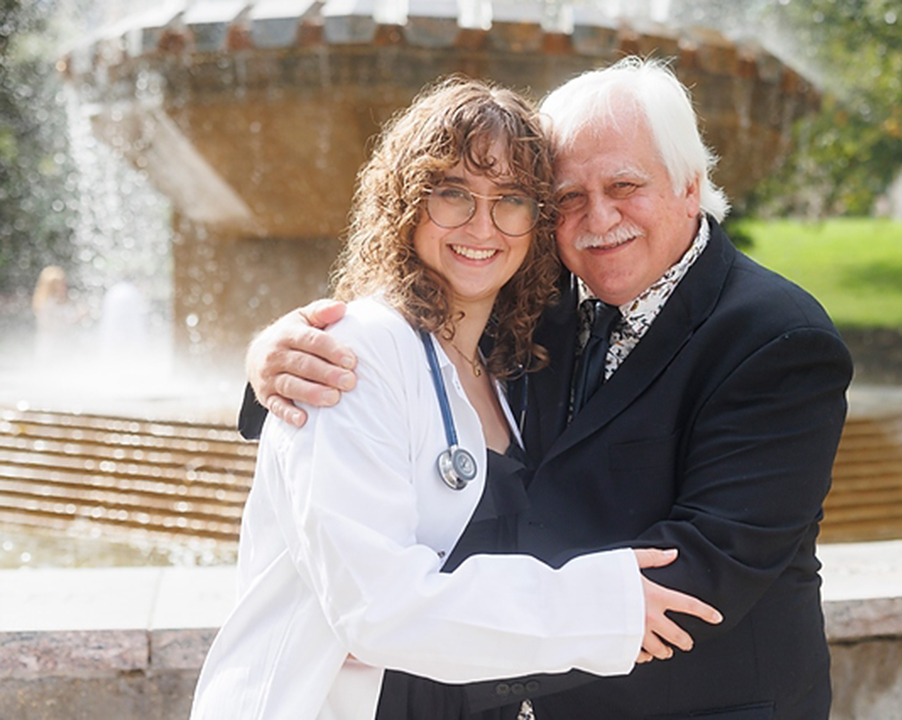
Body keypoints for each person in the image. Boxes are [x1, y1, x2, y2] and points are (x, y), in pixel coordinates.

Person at [244, 58, 853, 720]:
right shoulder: (538, 303)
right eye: (567, 197)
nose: (598, 219)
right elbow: (392, 337)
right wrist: (271, 361)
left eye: (625, 184)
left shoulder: (776, 339)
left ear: (689, 186)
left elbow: (704, 577)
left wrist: (438, 673)